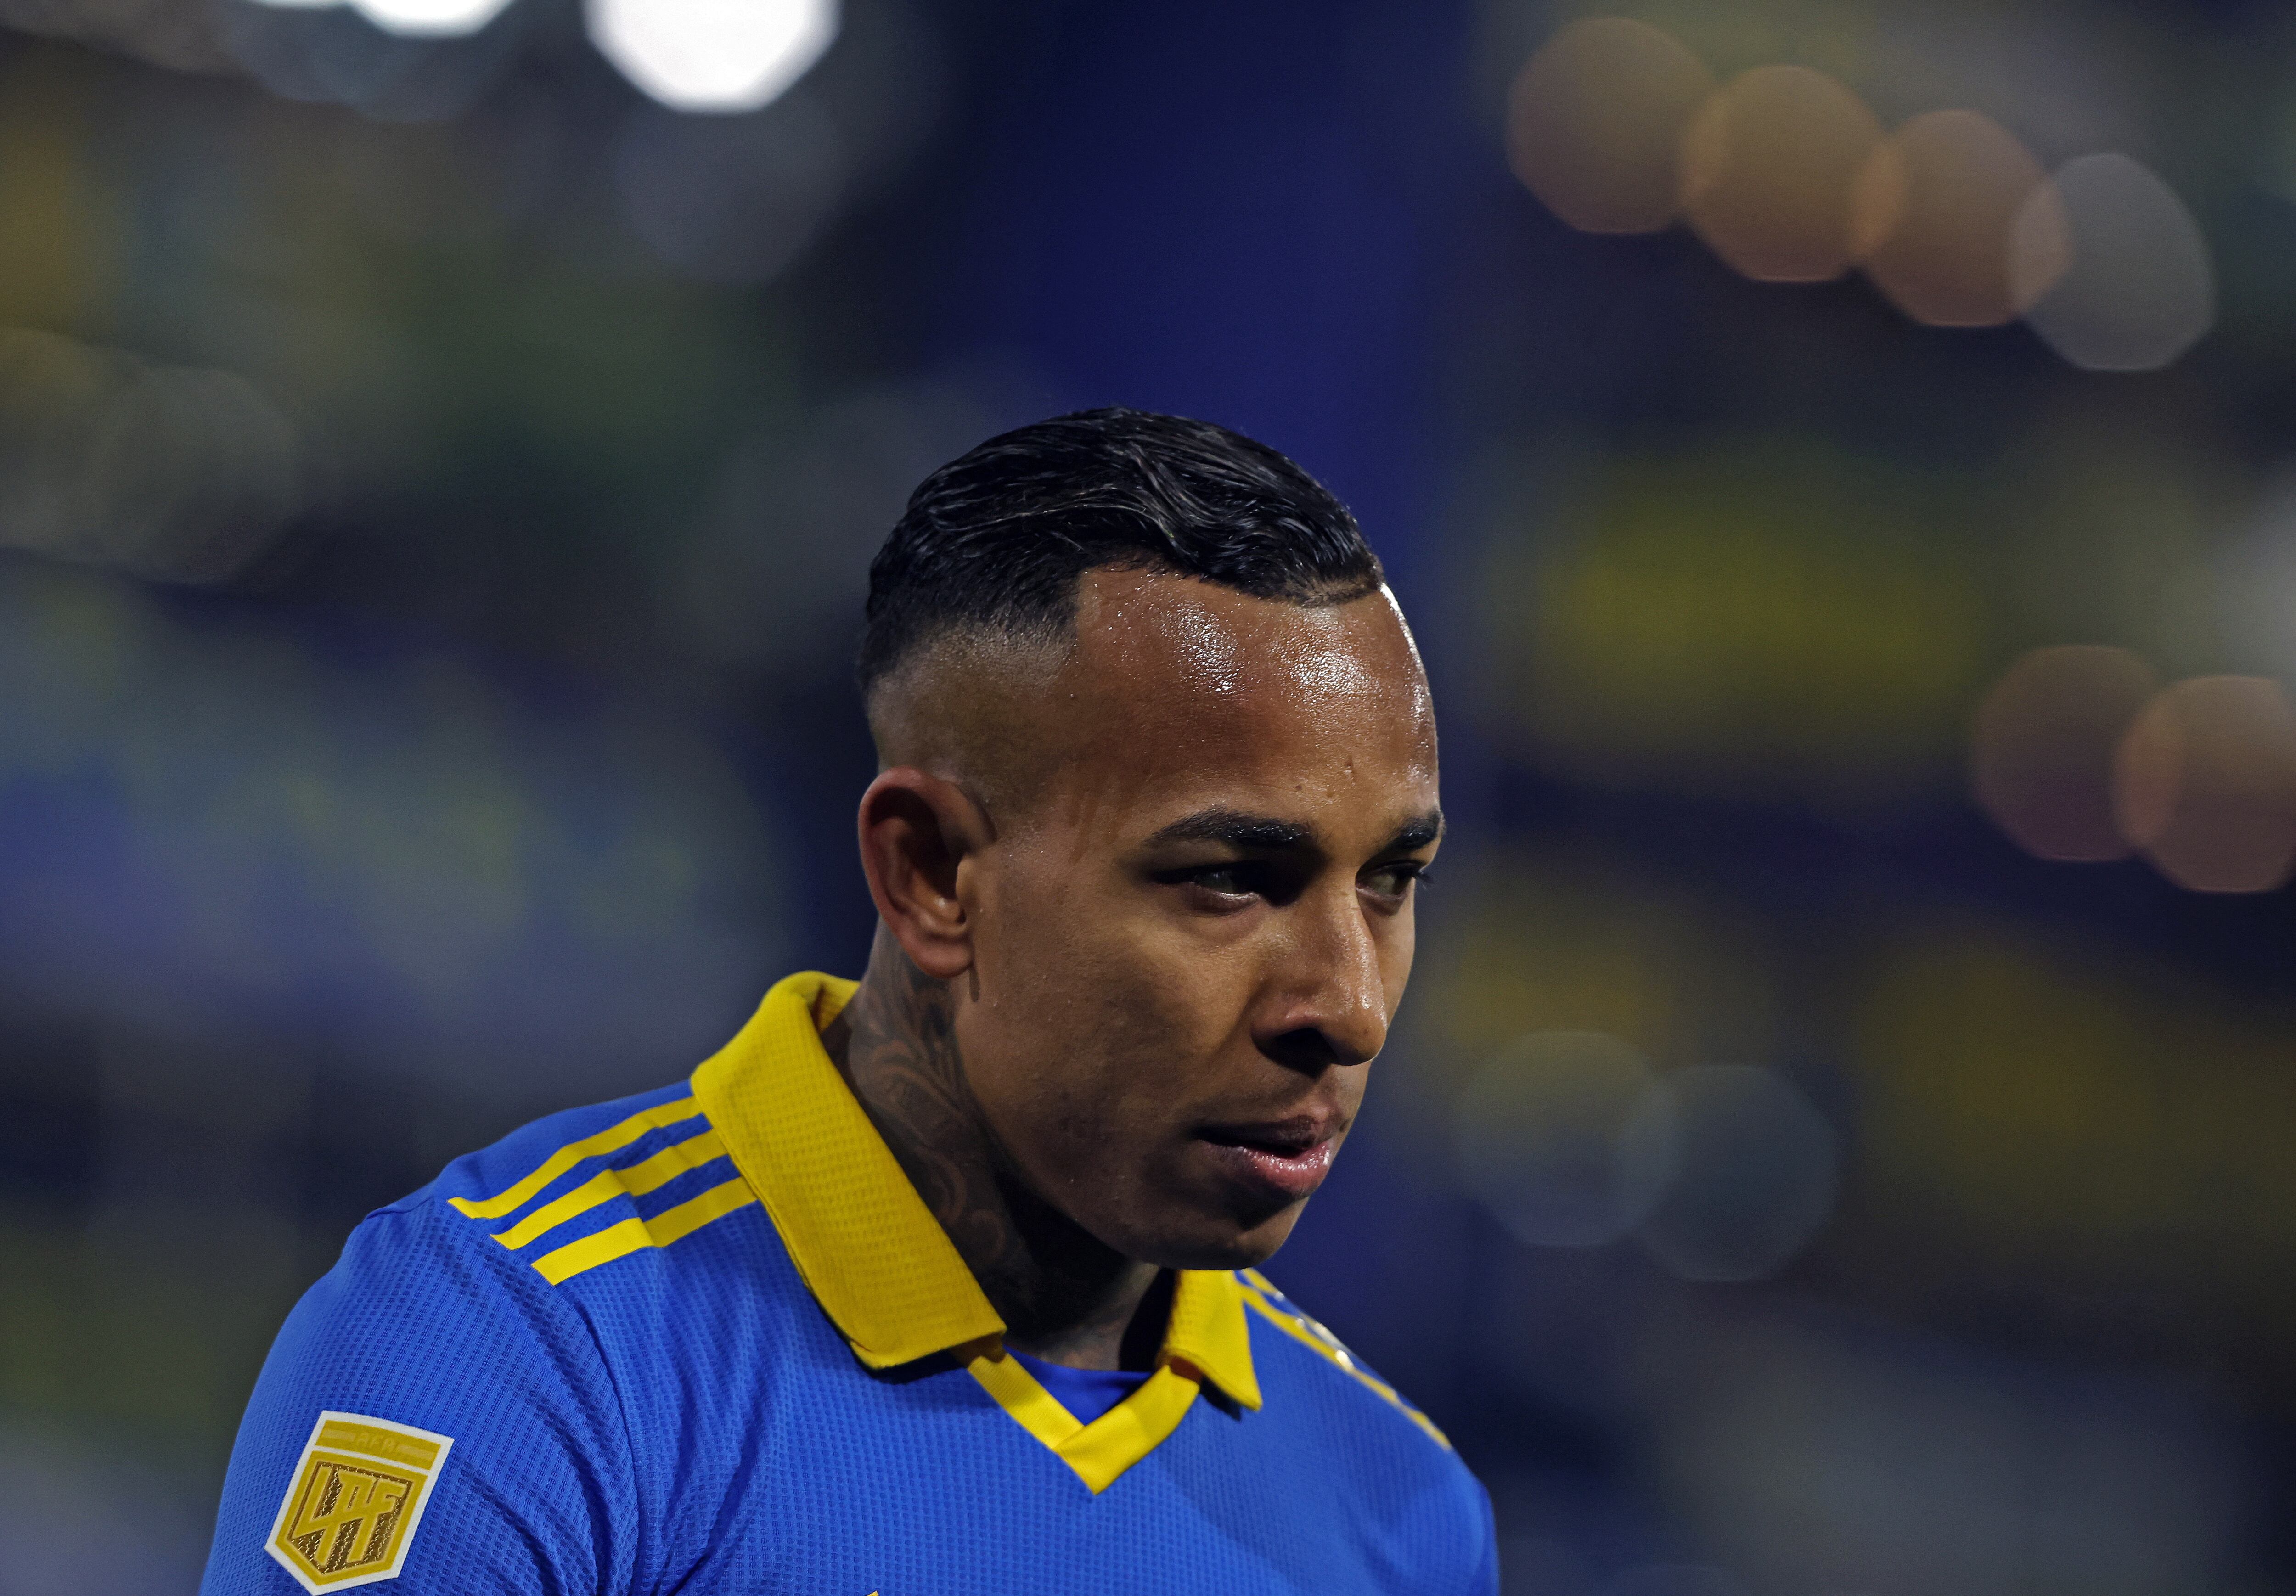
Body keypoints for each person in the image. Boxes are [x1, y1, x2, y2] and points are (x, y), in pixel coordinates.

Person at [200, 408, 1495, 1595]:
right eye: (1229, 880)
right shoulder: (515, 1351)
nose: (1351, 1002)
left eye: (1392, 879)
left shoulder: (1403, 1511)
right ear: (931, 874)